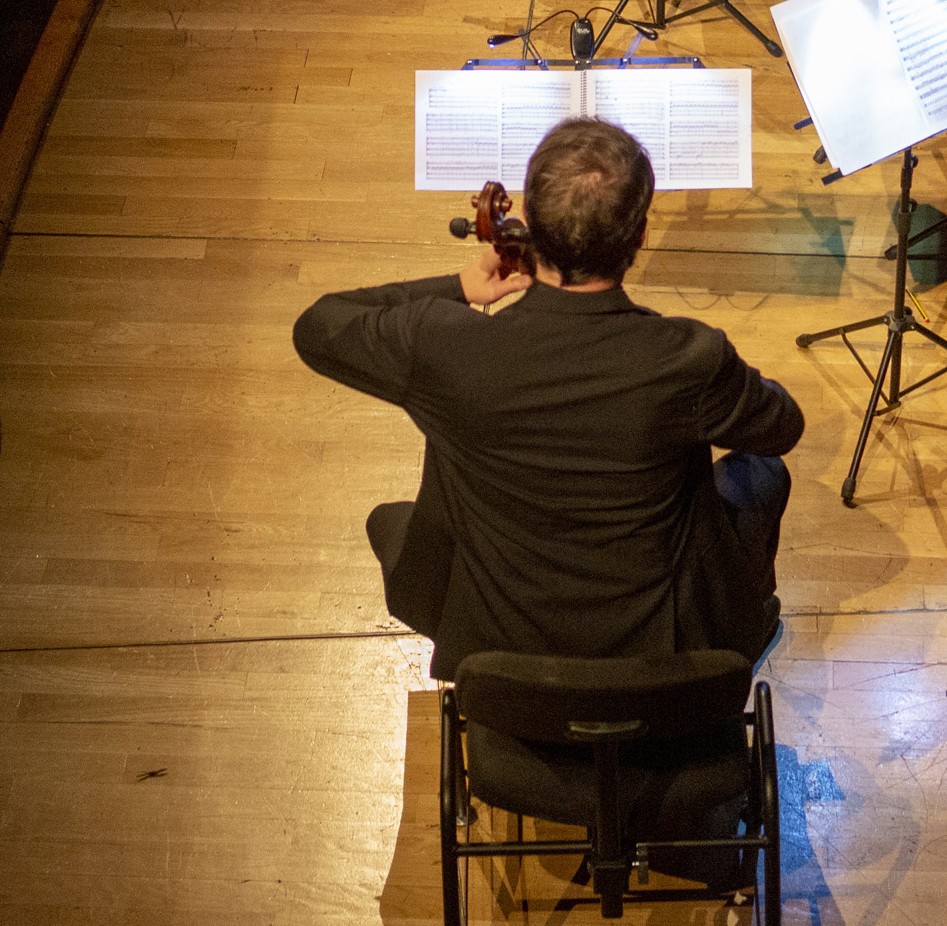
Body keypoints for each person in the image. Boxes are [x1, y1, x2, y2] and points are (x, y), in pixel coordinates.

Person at [293, 118, 801, 680]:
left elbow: (319, 327)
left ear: (528, 223)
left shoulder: (445, 347)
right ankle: (744, 629)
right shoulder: (689, 358)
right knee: (761, 473)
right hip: (658, 651)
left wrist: (460, 288)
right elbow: (783, 428)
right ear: (639, 235)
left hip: (498, 646)